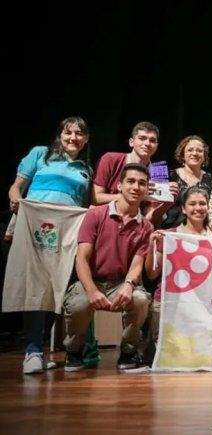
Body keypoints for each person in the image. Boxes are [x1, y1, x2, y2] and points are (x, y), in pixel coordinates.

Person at [5, 117, 92, 374]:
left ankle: (41, 349)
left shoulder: (85, 169)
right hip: (34, 229)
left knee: (55, 288)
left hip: (65, 234)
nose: (73, 138)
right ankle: (32, 350)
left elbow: (83, 204)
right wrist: (16, 201)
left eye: (79, 134)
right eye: (68, 133)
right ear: (60, 135)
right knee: (34, 285)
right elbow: (16, 188)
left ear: (86, 139)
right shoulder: (40, 155)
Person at [62, 163, 154, 371]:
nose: (136, 187)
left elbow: (137, 264)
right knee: (79, 303)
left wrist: (129, 285)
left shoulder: (146, 226)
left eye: (142, 183)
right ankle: (74, 351)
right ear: (119, 186)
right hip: (92, 280)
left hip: (120, 281)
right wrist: (92, 290)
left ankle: (128, 354)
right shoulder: (95, 214)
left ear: (147, 189)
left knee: (140, 299)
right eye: (130, 181)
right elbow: (82, 258)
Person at [144, 187, 212, 361]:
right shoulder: (169, 236)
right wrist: (152, 246)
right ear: (183, 208)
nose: (198, 208)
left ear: (208, 207)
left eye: (202, 204)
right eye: (192, 204)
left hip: (203, 306)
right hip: (170, 303)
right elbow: (152, 274)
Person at [161, 136, 212, 229]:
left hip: (202, 231)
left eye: (199, 151)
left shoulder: (211, 179)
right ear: (182, 154)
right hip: (172, 231)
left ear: (204, 155)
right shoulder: (170, 176)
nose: (195, 153)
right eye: (190, 150)